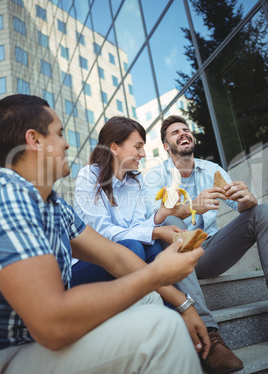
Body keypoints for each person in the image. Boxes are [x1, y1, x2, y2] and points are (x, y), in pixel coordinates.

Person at [0, 95, 205, 374]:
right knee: (163, 329)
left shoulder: (54, 204)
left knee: (152, 297)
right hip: (13, 352)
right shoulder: (8, 193)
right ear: (34, 140)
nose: (67, 143)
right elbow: (52, 325)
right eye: (60, 134)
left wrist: (184, 303)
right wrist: (156, 273)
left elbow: (117, 258)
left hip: (38, 340)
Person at [73, 116, 210, 356]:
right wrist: (155, 230)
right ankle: (175, 314)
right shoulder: (88, 176)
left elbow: (139, 225)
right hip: (88, 266)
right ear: (114, 147)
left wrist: (161, 216)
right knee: (134, 248)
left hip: (126, 257)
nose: (143, 154)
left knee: (152, 247)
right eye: (138, 146)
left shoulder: (135, 181)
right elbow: (102, 234)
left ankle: (175, 326)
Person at [144, 114, 268, 374]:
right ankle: (209, 336)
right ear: (166, 146)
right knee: (173, 236)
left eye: (186, 129)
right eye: (175, 132)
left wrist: (248, 198)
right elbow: (150, 222)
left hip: (210, 250)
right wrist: (188, 206)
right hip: (176, 251)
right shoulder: (154, 177)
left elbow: (241, 208)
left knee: (262, 212)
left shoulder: (212, 170)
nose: (183, 133)